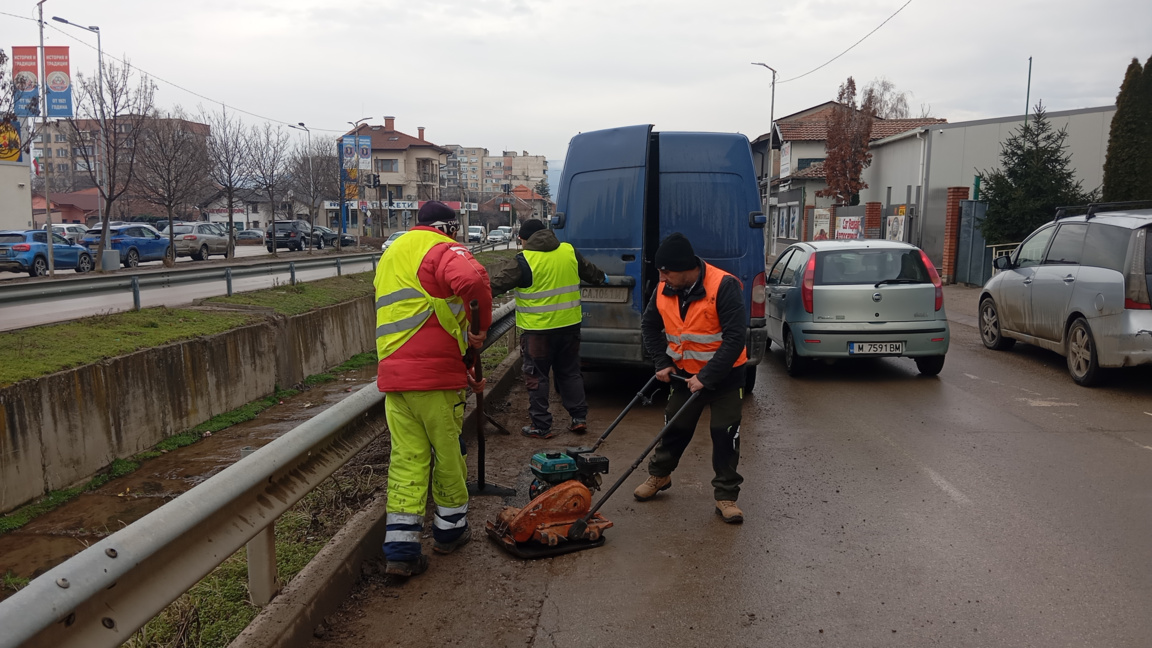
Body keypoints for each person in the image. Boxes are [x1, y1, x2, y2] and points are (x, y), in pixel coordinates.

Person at [374, 200, 492, 577]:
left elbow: (422, 311)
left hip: (395, 377)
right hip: (436, 380)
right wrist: (479, 329)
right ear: (450, 227)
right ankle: (450, 531)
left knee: (406, 459)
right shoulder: (441, 248)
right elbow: (474, 282)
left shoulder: (393, 254)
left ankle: (401, 552)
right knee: (447, 454)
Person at [633, 232, 749, 524]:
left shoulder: (723, 286)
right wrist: (661, 362)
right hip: (684, 376)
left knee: (725, 433)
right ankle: (660, 476)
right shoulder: (663, 289)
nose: (662, 277)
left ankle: (726, 497)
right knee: (674, 425)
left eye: (667, 271)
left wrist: (707, 377)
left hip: (725, 377)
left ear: (687, 268)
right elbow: (649, 326)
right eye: (660, 271)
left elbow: (735, 338)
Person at [489, 218, 609, 439]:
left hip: (538, 332)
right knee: (570, 372)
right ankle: (578, 418)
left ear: (524, 239)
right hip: (569, 327)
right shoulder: (568, 251)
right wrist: (604, 278)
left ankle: (541, 425)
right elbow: (593, 274)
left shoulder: (523, 260)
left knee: (537, 377)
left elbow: (494, 286)